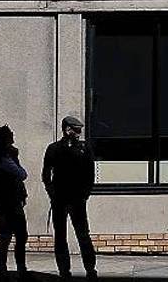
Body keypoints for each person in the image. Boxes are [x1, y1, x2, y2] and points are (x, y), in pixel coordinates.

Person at [42, 115, 97, 280]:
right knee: (61, 236)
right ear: (67, 130)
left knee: (82, 235)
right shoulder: (54, 148)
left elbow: (90, 173)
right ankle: (64, 270)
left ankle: (90, 269)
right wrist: (51, 192)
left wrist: (85, 194)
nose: (79, 133)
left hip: (77, 199)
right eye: (76, 130)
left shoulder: (84, 148)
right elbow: (46, 174)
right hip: (60, 199)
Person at [0, 125, 29, 279]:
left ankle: (3, 268)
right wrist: (15, 157)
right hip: (10, 202)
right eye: (11, 134)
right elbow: (22, 174)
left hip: (3, 203)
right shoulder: (4, 157)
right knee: (20, 235)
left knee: (6, 236)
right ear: (5, 139)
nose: (13, 136)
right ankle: (19, 268)